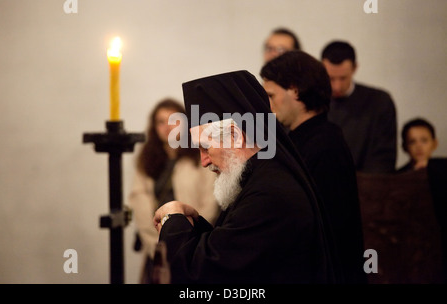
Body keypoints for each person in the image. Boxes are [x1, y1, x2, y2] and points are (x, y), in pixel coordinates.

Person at [152, 70, 339, 284]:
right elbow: (235, 250)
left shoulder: (270, 194)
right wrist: (194, 225)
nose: (204, 161)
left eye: (206, 148)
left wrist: (172, 219)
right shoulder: (260, 177)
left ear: (234, 136)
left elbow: (207, 273)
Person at [260, 50, 367, 284]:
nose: (267, 105)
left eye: (271, 95)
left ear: (295, 90)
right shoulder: (304, 140)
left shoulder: (324, 145)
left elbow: (321, 227)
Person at [128, 98, 219, 282]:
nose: (167, 127)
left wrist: (189, 242)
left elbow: (210, 202)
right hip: (157, 246)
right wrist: (159, 247)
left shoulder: (199, 155)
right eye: (161, 122)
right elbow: (139, 202)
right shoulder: (147, 159)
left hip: (195, 245)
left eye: (173, 120)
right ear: (154, 127)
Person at [321, 40, 397, 173]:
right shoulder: (312, 102)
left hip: (368, 187)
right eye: (331, 78)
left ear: (355, 68)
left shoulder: (379, 102)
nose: (336, 86)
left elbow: (384, 156)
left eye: (343, 78)